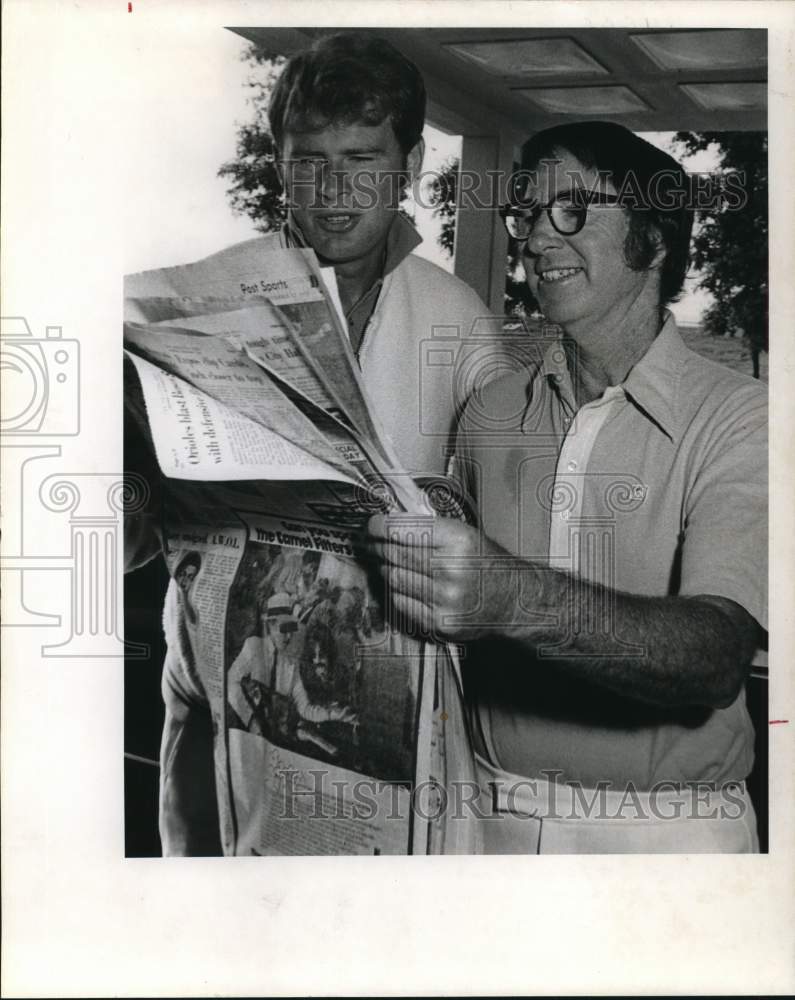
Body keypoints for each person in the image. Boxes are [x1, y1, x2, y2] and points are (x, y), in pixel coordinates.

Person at [126, 31, 501, 855]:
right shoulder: (202, 300)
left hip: (381, 695)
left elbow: (489, 545)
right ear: (279, 163)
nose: (333, 188)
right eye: (308, 159)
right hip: (218, 679)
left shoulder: (463, 325)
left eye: (363, 157)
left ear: (408, 166)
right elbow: (127, 538)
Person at [365, 122, 767, 854]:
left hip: (670, 834)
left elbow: (712, 658)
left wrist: (505, 596)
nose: (537, 239)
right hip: (483, 808)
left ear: (651, 236)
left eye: (573, 210)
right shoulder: (489, 411)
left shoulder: (744, 419)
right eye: (527, 213)